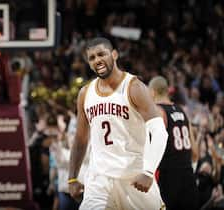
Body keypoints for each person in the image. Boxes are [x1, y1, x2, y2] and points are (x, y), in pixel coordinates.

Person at [68, 37, 168, 209]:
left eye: (101, 54)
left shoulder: (134, 87)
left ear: (114, 54)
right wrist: (72, 177)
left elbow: (159, 132)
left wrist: (148, 172)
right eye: (92, 58)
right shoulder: (85, 93)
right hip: (99, 180)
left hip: (133, 176)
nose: (97, 60)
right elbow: (81, 139)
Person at [148, 76, 199, 210]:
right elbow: (195, 152)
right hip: (188, 176)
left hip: (168, 177)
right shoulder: (182, 111)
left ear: (152, 92)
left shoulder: (158, 111)